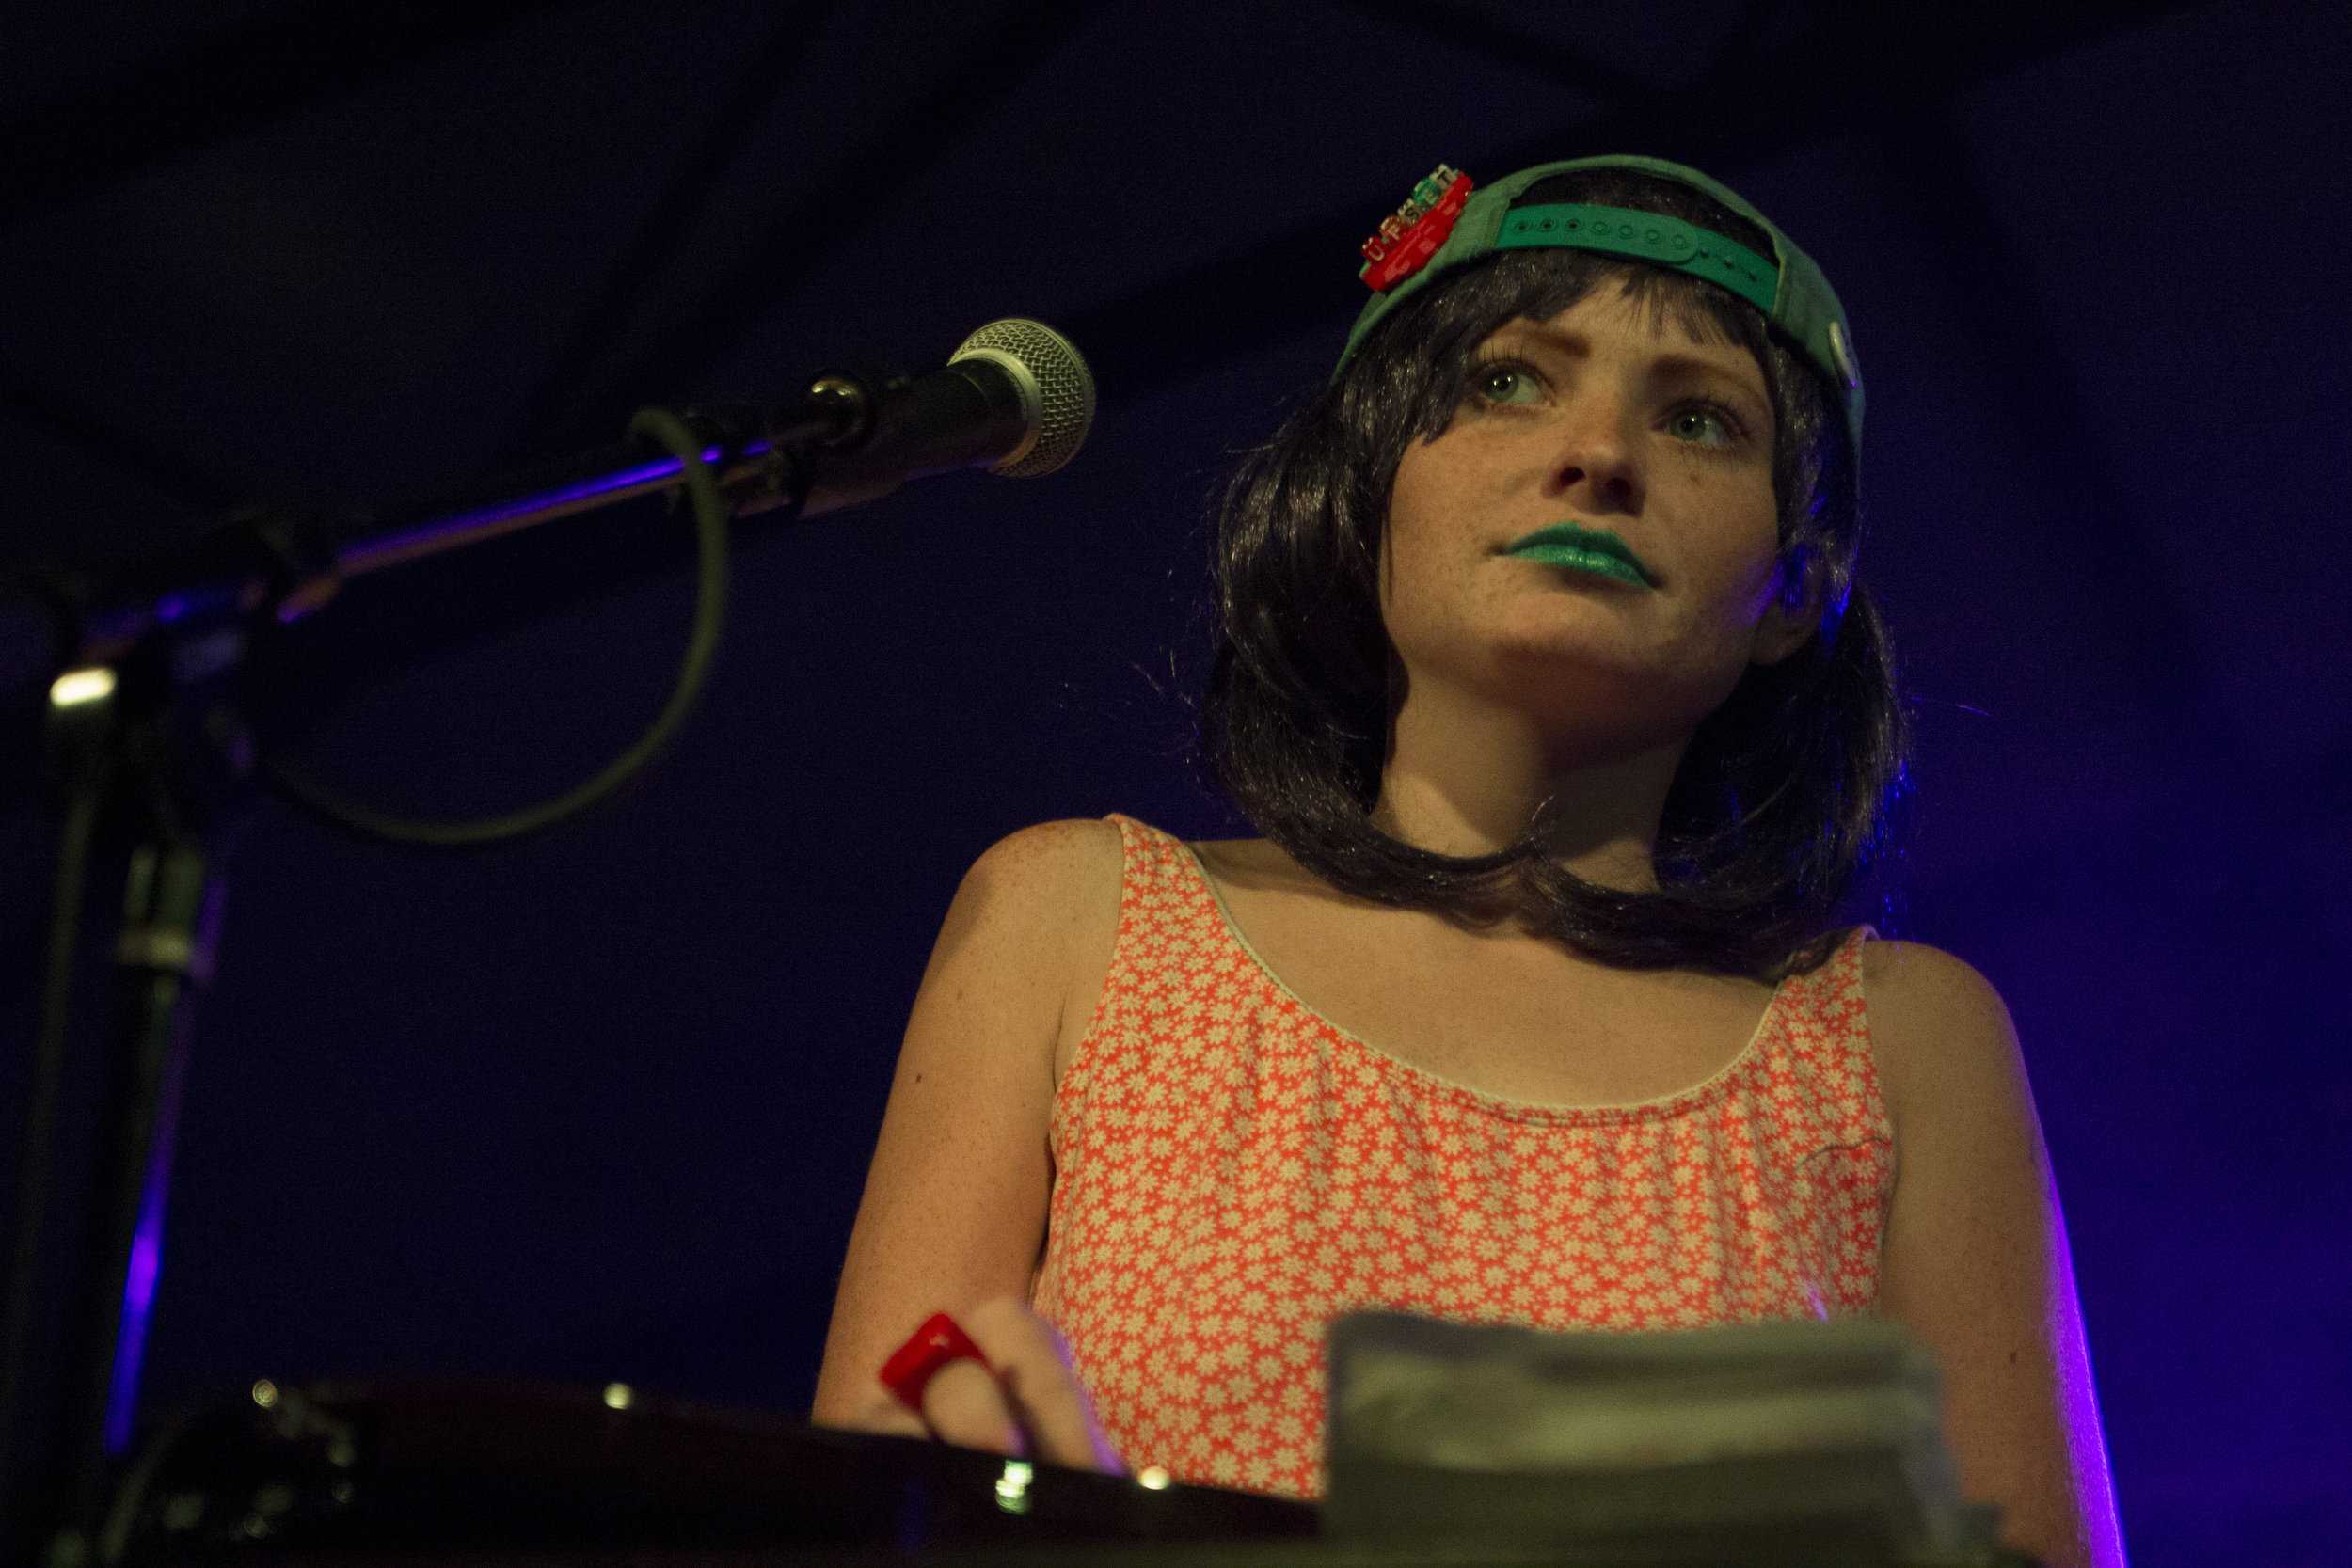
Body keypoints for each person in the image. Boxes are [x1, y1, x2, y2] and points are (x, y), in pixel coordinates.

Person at [809, 155, 2125, 1568]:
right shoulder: (1075, 918)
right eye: (1509, 381)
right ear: (1369, 489)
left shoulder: (1904, 1043)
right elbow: (848, 1512)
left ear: (1798, 587)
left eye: (1700, 419)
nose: (1599, 453)